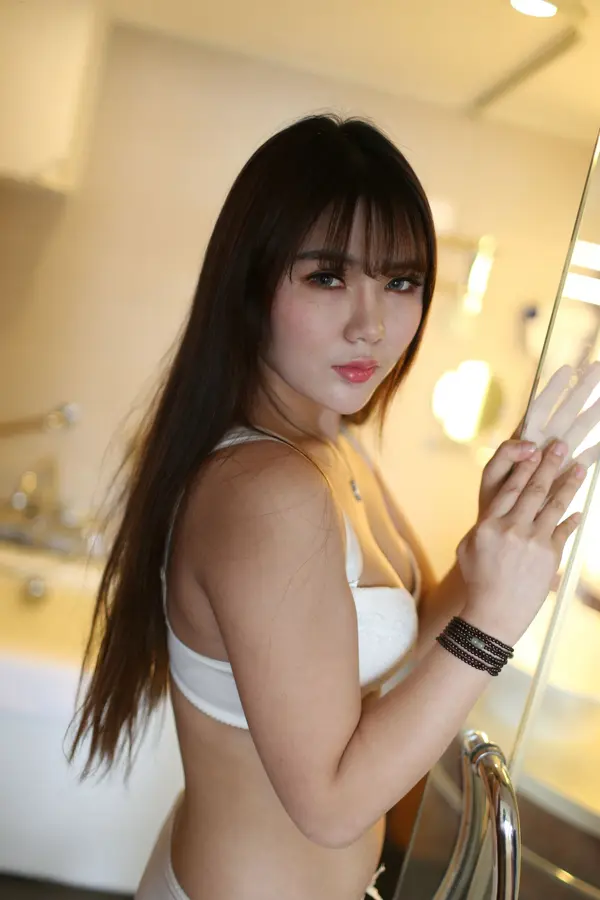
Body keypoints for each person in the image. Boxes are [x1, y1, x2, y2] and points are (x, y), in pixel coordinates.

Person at [69, 114, 600, 900]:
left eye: (400, 282)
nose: (371, 324)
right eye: (327, 277)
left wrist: (494, 535)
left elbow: (404, 653)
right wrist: (495, 621)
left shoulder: (332, 446)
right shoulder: (268, 491)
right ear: (251, 284)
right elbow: (330, 804)